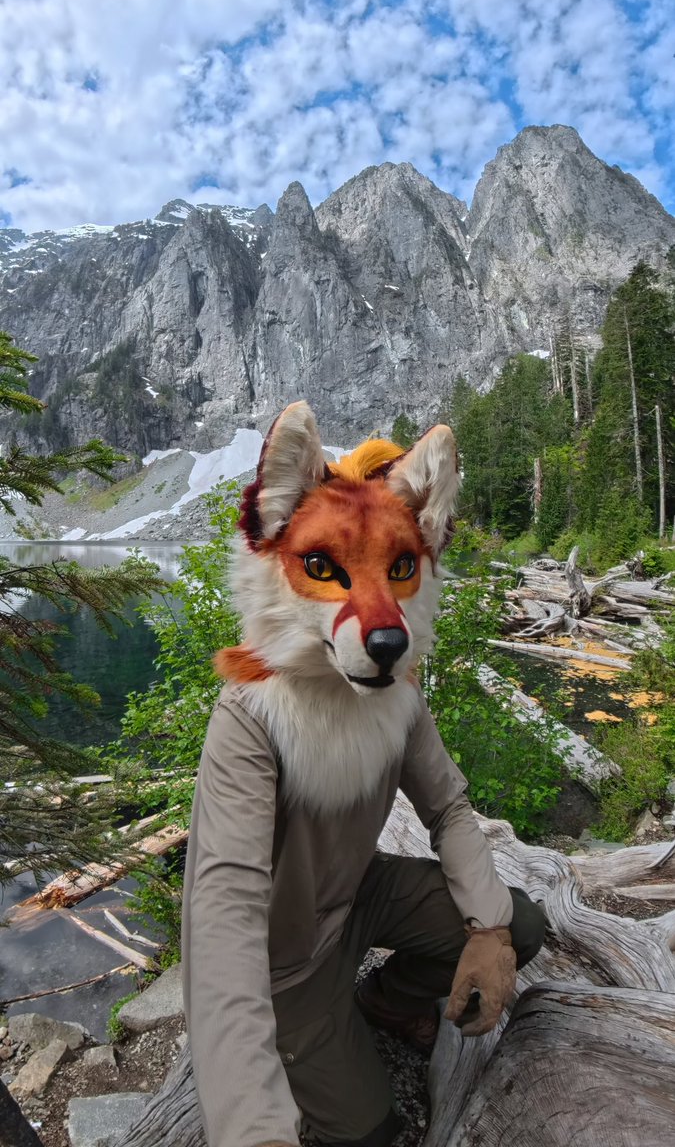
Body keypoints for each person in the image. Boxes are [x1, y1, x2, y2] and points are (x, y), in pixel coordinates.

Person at [182, 402, 546, 1147]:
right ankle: (311, 1035)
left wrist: (485, 929)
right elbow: (222, 920)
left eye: (400, 567)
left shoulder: (397, 696)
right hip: (285, 958)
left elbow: (445, 807)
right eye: (324, 569)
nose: (382, 621)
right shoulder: (248, 720)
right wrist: (250, 1126)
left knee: (522, 925)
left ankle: (386, 1000)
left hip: (356, 895)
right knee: (370, 1134)